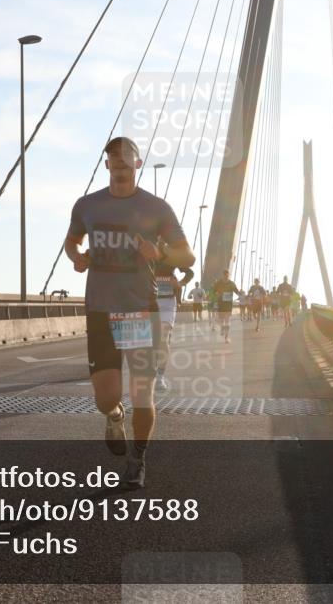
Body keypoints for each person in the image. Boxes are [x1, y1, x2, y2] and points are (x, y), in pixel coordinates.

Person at [64, 136, 194, 489]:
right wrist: (77, 257)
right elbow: (71, 240)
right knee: (105, 397)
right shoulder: (87, 205)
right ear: (107, 164)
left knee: (142, 393)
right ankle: (113, 416)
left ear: (138, 164)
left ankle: (138, 458)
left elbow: (187, 257)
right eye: (113, 157)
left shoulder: (157, 208)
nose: (120, 161)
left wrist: (161, 254)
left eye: (127, 156)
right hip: (100, 311)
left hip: (139, 311)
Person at [152, 245, 193, 393]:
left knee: (163, 336)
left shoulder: (172, 256)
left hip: (168, 302)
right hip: (150, 301)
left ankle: (160, 376)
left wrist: (180, 283)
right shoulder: (146, 251)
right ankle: (153, 367)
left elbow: (190, 273)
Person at [210, 270, 242, 344]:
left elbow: (236, 291)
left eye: (227, 275)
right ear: (223, 275)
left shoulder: (231, 283)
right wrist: (216, 295)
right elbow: (213, 291)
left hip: (228, 304)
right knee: (222, 320)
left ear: (229, 275)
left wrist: (241, 294)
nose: (226, 276)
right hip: (221, 303)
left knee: (227, 320)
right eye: (225, 275)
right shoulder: (219, 283)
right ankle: (222, 328)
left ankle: (226, 337)